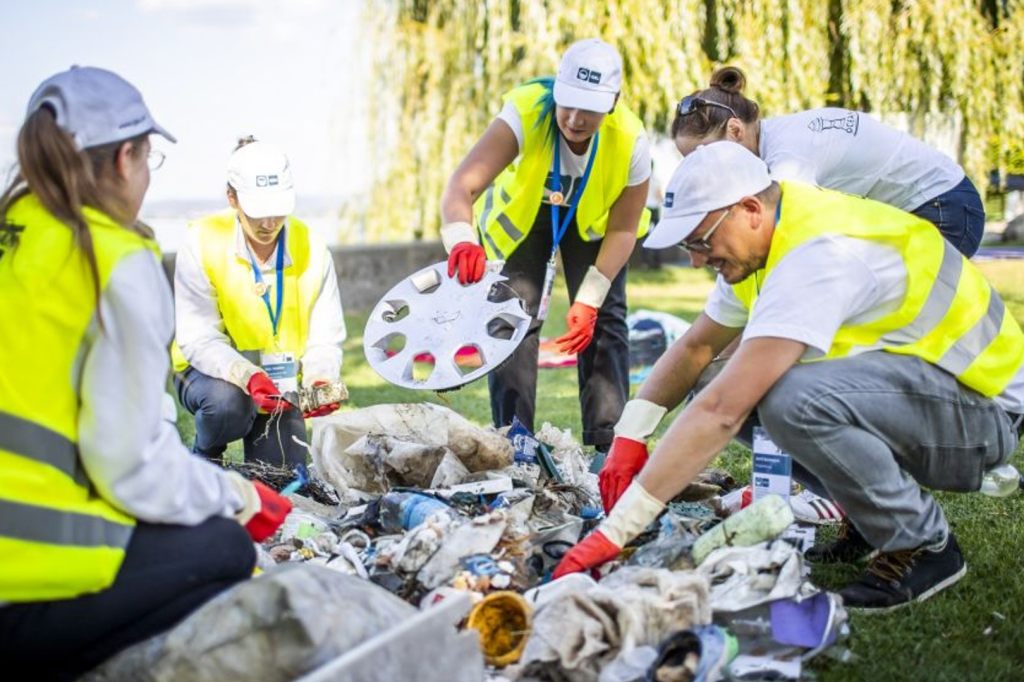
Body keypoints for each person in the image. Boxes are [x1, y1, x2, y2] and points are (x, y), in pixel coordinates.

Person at [560, 141, 1024, 611]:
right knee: (719, 374)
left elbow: (723, 411)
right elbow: (697, 348)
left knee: (787, 398)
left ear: (749, 210)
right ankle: (869, 516)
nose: (698, 260)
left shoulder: (817, 253)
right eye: (688, 246)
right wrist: (629, 436)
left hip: (985, 413)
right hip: (932, 396)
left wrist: (618, 530)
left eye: (701, 241)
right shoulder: (770, 240)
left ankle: (924, 544)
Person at [0, 66, 292, 679]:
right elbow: (129, 469)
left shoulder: (15, 236)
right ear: (126, 157)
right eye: (150, 158)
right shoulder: (110, 260)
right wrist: (235, 494)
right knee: (224, 549)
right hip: (23, 588)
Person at [440, 38, 651, 455]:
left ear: (613, 101)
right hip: (530, 218)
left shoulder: (631, 140)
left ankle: (608, 442)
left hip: (595, 226)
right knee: (512, 315)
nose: (573, 118)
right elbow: (460, 187)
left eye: (589, 107)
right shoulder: (523, 113)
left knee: (605, 319)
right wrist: (462, 241)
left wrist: (589, 298)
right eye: (567, 102)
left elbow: (625, 230)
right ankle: (513, 437)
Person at [671, 66, 985, 257]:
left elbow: (779, 234)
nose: (701, 170)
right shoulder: (777, 139)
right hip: (932, 205)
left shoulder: (788, 157)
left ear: (736, 129)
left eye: (704, 154)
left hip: (945, 209)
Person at [172, 137, 347, 468]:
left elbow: (325, 336)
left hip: (279, 383)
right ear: (232, 199)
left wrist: (320, 378)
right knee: (228, 404)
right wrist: (246, 375)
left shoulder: (313, 247)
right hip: (205, 374)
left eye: (277, 211)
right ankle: (206, 456)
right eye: (258, 213)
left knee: (284, 480)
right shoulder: (200, 242)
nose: (269, 224)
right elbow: (199, 338)